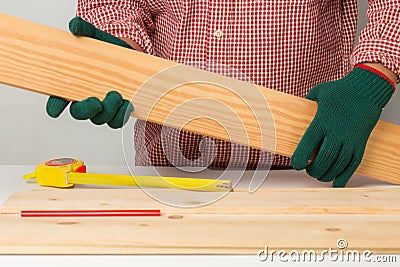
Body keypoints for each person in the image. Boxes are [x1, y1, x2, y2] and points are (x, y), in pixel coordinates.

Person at [47, 0, 399, 187]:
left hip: (310, 166)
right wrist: (114, 57)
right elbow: (119, 4)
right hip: (169, 173)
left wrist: (371, 79)